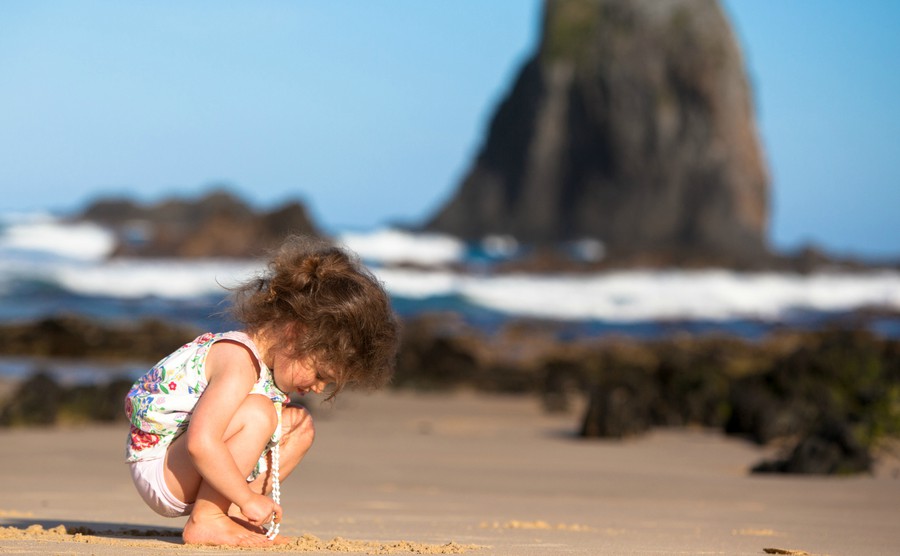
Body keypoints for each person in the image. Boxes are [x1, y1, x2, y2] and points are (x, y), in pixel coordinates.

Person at [124, 235, 399, 546]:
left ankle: (231, 519)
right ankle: (208, 519)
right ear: (295, 332)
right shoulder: (237, 360)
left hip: (187, 467)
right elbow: (201, 443)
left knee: (299, 425)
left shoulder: (264, 367)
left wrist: (246, 501)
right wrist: (247, 497)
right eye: (321, 374)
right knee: (258, 414)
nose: (319, 387)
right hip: (162, 469)